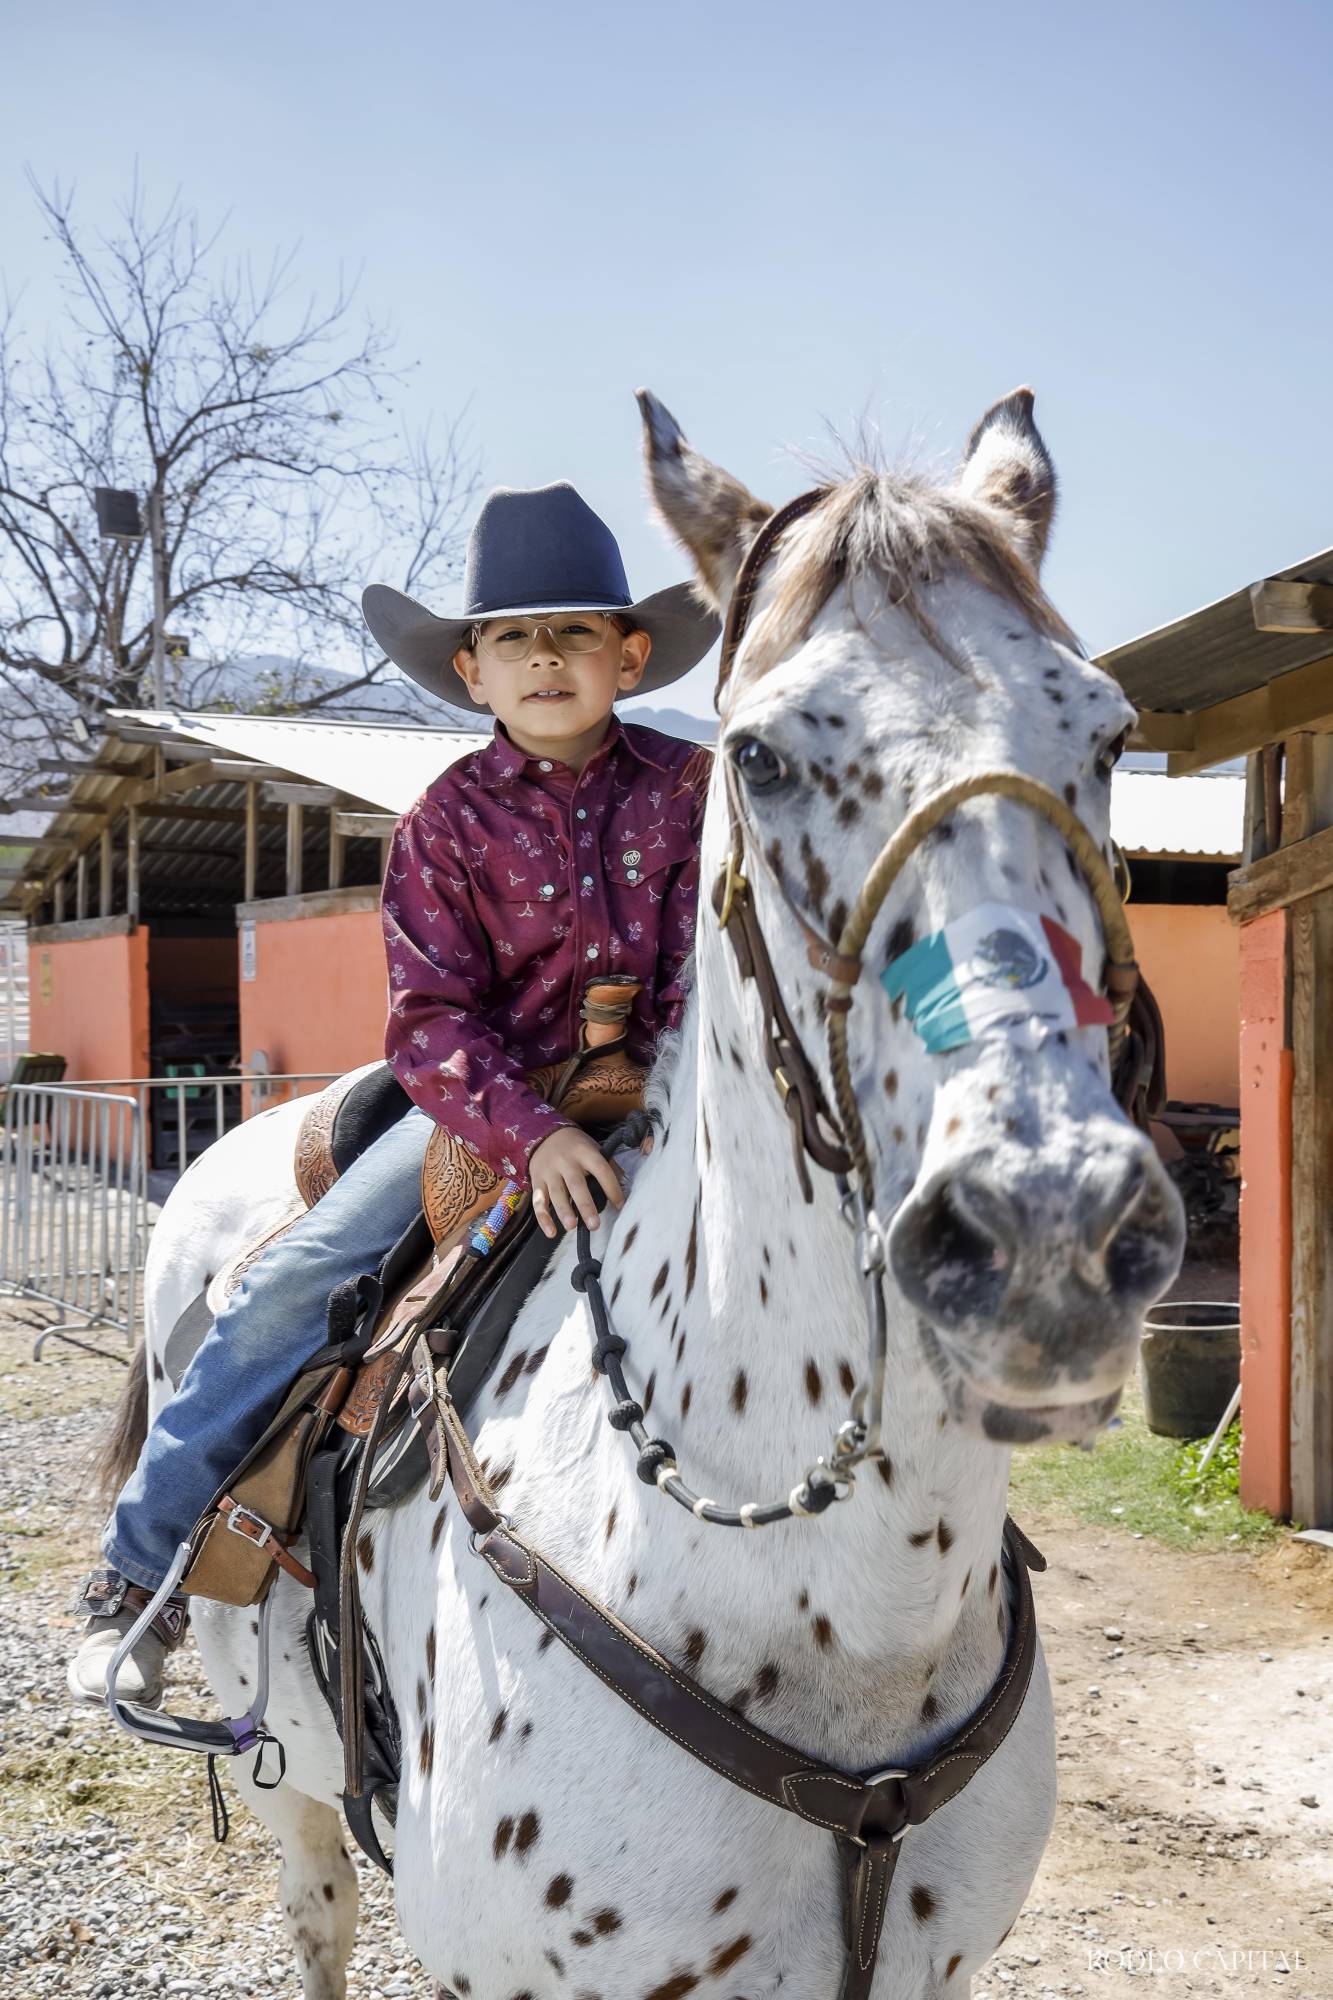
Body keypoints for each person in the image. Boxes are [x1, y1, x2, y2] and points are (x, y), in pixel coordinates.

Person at [68, 481, 719, 1706]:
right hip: (484, 1098)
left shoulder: (693, 790)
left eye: (574, 630)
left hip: (669, 1094)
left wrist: (665, 1102)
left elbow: (706, 970)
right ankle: (137, 1574)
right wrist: (533, 1138)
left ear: (628, 654)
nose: (544, 657)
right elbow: (429, 1022)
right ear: (471, 671)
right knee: (286, 1286)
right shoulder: (443, 822)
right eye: (512, 638)